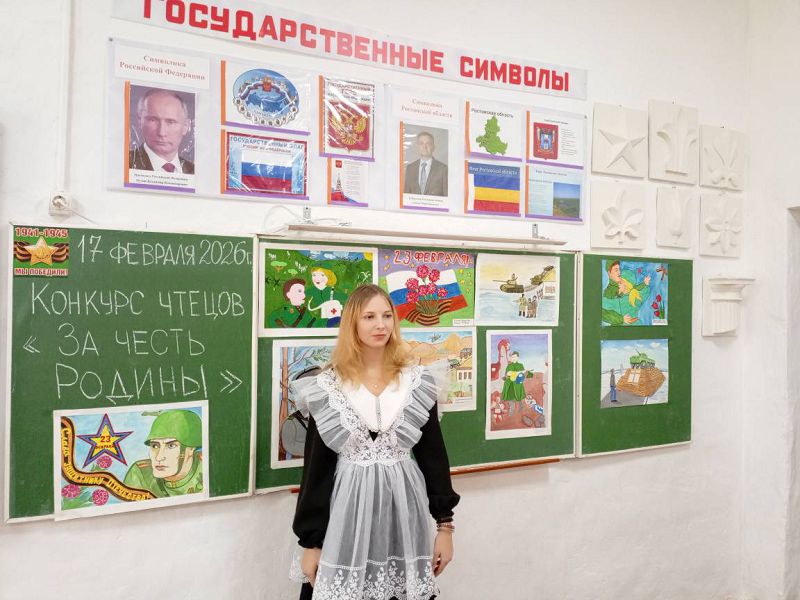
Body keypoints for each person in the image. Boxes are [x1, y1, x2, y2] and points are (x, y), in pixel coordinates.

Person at [288, 284, 459, 599]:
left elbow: (434, 458)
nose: (380, 325)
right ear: (352, 323)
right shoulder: (328, 387)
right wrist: (311, 544)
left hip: (403, 517)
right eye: (369, 317)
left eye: (386, 316)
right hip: (346, 517)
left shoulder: (416, 383)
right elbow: (317, 470)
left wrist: (444, 527)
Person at [123, 410, 203, 497]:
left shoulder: (205, 467)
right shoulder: (141, 474)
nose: (159, 457)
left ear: (191, 449)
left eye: (171, 446)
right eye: (155, 446)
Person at [129, 87, 195, 174]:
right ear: (139, 121)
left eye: (171, 122)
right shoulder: (125, 163)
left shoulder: (196, 171)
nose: (161, 133)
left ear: (186, 126)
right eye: (153, 120)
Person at [602, 260, 651, 326]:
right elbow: (603, 313)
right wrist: (621, 319)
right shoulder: (608, 292)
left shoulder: (625, 284)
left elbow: (635, 289)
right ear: (609, 273)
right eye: (616, 270)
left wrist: (644, 284)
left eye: (619, 270)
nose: (619, 272)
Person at [403, 131, 448, 196]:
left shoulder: (443, 169)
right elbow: (406, 196)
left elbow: (447, 197)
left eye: (428, 143)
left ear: (433, 147)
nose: (424, 146)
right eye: (421, 143)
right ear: (417, 146)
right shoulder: (410, 168)